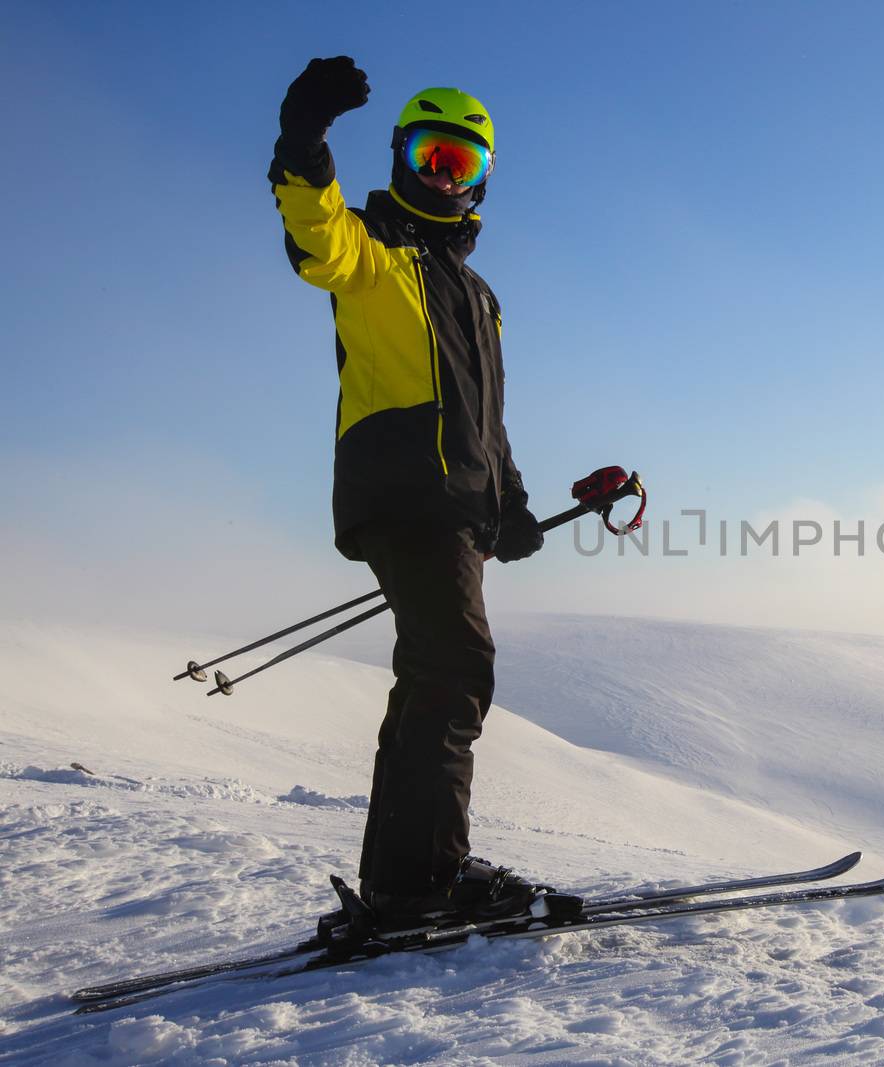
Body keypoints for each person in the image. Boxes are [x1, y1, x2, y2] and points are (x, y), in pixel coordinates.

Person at [269, 56, 559, 927]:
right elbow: (315, 233)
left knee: (435, 673)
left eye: (460, 164)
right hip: (403, 494)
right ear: (399, 158)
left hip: (458, 510)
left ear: (481, 181)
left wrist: (509, 502)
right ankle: (419, 884)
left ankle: (409, 872)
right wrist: (303, 137)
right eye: (431, 156)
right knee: (452, 667)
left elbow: (486, 416)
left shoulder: (478, 296)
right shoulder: (369, 249)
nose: (444, 177)